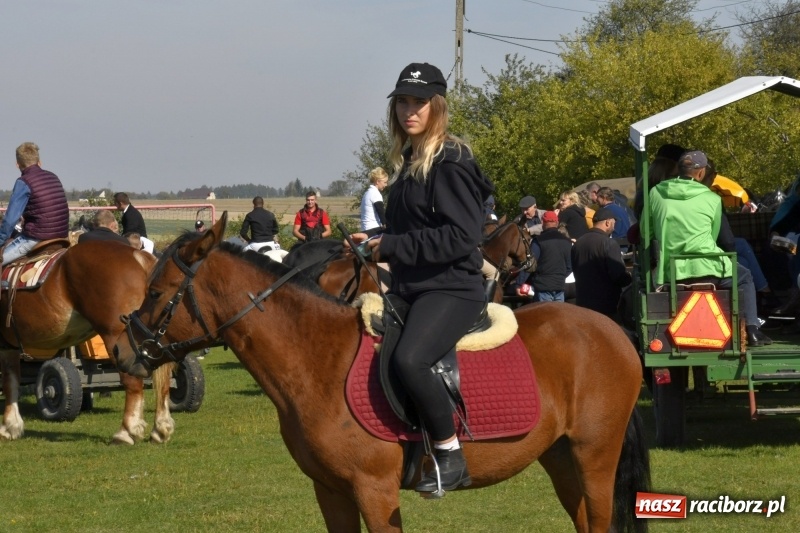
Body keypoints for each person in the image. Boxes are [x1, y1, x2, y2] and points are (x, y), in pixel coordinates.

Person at [350, 62, 493, 494]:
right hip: (413, 286)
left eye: (419, 102)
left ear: (437, 107)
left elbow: (461, 236)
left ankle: (450, 455)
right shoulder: (408, 161)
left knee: (410, 359)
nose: (408, 111)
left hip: (452, 287)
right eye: (402, 103)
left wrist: (391, 247)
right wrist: (374, 239)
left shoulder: (450, 160)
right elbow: (414, 231)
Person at [649, 150, 771, 346]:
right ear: (700, 173)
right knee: (745, 276)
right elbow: (717, 238)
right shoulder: (712, 199)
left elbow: (649, 232)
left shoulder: (655, 193)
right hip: (708, 269)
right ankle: (752, 329)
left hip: (671, 271)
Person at [0, 142, 69, 265]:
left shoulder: (23, 182)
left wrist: (1, 240)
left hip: (36, 238)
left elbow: (10, 220)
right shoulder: (53, 176)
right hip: (62, 236)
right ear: (39, 161)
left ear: (18, 164)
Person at [571, 207, 631, 318]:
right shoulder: (608, 243)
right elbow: (618, 275)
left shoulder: (579, 243)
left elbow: (574, 268)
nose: (614, 227)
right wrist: (629, 278)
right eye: (614, 223)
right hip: (605, 305)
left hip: (582, 302)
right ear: (607, 223)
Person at [525, 210, 572, 302]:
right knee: (558, 316)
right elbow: (570, 267)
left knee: (544, 316)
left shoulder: (538, 241)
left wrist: (519, 283)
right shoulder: (567, 241)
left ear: (542, 223)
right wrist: (559, 277)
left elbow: (530, 264)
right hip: (559, 286)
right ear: (557, 223)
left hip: (542, 286)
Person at [360, 167, 389, 236]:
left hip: (365, 229)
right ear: (377, 181)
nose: (386, 185)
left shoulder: (367, 193)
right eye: (384, 182)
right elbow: (381, 212)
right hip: (373, 229)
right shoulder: (375, 194)